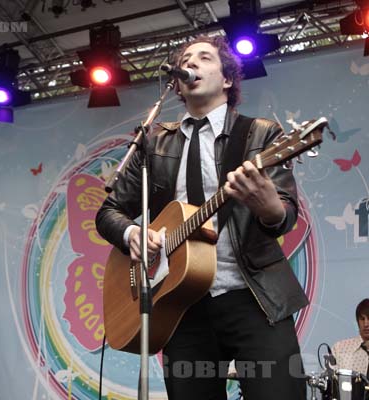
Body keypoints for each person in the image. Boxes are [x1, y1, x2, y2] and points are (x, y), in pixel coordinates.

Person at [95, 35, 308, 400]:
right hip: (181, 306)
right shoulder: (154, 142)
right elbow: (108, 212)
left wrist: (267, 206)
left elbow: (283, 216)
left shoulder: (260, 135)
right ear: (176, 82)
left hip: (253, 298)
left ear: (227, 79)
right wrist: (132, 233)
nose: (191, 63)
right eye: (186, 59)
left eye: (204, 58)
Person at [333, 299, 369, 374]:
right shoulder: (339, 348)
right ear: (357, 321)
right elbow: (330, 381)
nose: (366, 324)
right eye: (362, 319)